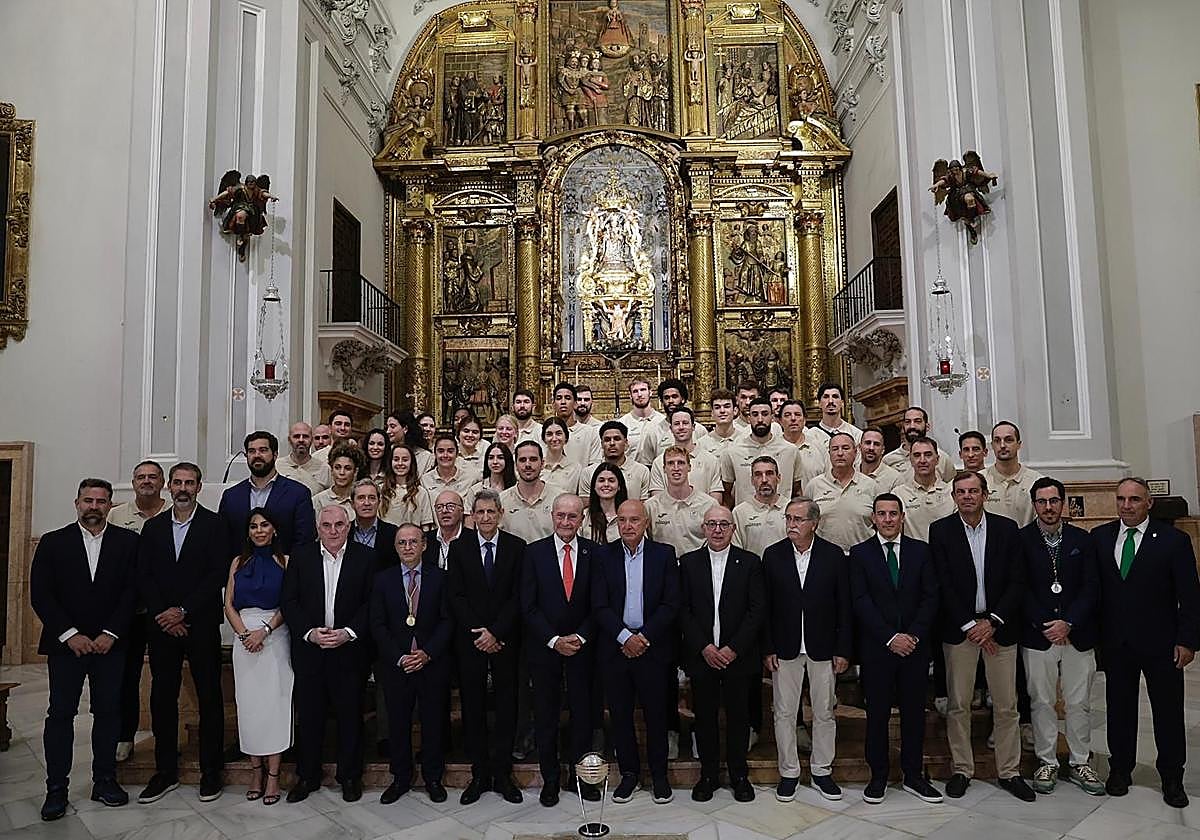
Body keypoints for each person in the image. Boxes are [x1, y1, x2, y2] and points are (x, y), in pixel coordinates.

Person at [31, 478, 138, 822]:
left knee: (108, 712)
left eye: (101, 501)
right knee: (61, 714)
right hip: (67, 647)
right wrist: (70, 634)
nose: (94, 506)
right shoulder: (52, 543)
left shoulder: (127, 542)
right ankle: (56, 789)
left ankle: (105, 780)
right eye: (88, 500)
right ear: (76, 502)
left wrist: (111, 632)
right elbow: (41, 595)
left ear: (110, 506)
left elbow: (133, 592)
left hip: (111, 645)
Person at [1093, 477, 1200, 807]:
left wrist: (1188, 641)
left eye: (1135, 499)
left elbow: (1190, 596)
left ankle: (1171, 777)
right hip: (1116, 644)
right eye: (1122, 499)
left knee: (1167, 712)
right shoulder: (1100, 537)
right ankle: (1120, 770)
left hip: (1161, 643)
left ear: (1148, 503)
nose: (1127, 505)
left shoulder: (1174, 541)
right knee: (1119, 710)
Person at [929, 471, 1033, 801]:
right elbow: (942, 584)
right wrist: (969, 625)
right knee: (959, 704)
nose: (968, 497)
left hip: (999, 628)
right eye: (961, 492)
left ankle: (1009, 771)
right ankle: (962, 769)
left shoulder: (1006, 529)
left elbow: (1018, 580)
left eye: (974, 491)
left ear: (984, 494)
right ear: (954, 497)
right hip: (960, 631)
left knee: (1006, 705)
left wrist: (993, 622)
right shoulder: (941, 531)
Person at [137, 462, 229, 804]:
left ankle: (211, 771)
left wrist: (184, 610)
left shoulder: (215, 525)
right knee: (162, 697)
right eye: (177, 482)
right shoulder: (154, 528)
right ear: (168, 486)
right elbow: (144, 575)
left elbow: (217, 573)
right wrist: (165, 613)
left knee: (209, 697)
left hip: (200, 623)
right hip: (161, 627)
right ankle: (165, 771)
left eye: (189, 482)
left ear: (199, 487)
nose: (183, 488)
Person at [848, 494, 943, 805]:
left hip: (914, 648)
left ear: (903, 516)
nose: (887, 519)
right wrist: (890, 637)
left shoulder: (921, 551)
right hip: (878, 649)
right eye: (881, 514)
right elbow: (860, 601)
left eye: (893, 514)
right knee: (876, 715)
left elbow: (931, 598)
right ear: (873, 518)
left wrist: (912, 635)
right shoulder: (860, 554)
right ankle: (878, 776)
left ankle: (913, 775)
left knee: (914, 714)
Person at [281, 505, 375, 803]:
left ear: (349, 527)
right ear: (317, 528)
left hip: (349, 651)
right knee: (310, 717)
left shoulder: (366, 558)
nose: (333, 531)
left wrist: (347, 633)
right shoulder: (301, 556)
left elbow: (372, 603)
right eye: (326, 525)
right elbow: (289, 600)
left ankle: (349, 777)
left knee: (350, 718)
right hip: (311, 650)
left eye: (338, 525)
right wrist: (310, 632)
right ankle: (307, 777)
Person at [1018, 477, 1103, 796]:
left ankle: (1081, 760)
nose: (1049, 507)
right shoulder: (1022, 540)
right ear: (1034, 504)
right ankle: (1047, 760)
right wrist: (1047, 623)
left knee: (1079, 702)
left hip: (1077, 634)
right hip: (1038, 635)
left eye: (1054, 501)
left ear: (1063, 503)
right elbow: (1019, 588)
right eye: (1042, 501)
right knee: (1040, 700)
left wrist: (1069, 622)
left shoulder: (1084, 539)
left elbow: (1092, 586)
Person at [762, 497, 851, 802]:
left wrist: (843, 649)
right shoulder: (772, 556)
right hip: (784, 647)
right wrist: (768, 647)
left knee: (824, 712)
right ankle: (788, 773)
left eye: (798, 519)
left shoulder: (834, 555)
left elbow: (844, 607)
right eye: (788, 518)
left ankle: (822, 770)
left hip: (823, 647)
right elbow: (766, 608)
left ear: (815, 523)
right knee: (784, 713)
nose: (791, 524)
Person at [592, 499, 680, 805]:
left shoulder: (664, 554)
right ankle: (629, 775)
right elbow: (599, 605)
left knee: (657, 716)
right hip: (615, 650)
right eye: (623, 521)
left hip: (652, 648)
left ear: (646, 523)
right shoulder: (603, 556)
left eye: (634, 520)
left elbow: (671, 604)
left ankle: (659, 776)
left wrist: (642, 637)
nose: (628, 526)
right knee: (620, 716)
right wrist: (624, 637)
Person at [678, 505, 763, 803]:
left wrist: (732, 648)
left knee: (740, 718)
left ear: (732, 529)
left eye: (723, 524)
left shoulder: (750, 563)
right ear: (703, 528)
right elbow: (683, 610)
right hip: (702, 656)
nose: (717, 529)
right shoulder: (688, 563)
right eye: (711, 524)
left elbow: (756, 611)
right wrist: (705, 647)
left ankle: (739, 776)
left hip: (738, 657)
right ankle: (709, 775)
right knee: (705, 718)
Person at [447, 489, 526, 804]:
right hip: (471, 642)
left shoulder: (516, 547)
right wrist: (480, 634)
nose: (485, 518)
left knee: (508, 707)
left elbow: (518, 597)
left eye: (490, 512)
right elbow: (456, 595)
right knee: (473, 707)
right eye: (479, 512)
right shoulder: (459, 547)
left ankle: (503, 773)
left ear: (500, 513)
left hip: (505, 641)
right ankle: (479, 773)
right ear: (472, 515)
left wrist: (496, 632)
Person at [523, 494, 602, 806]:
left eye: (573, 516)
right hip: (546, 650)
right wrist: (554, 640)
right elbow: (527, 606)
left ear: (581, 519)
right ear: (552, 517)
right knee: (546, 717)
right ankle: (551, 780)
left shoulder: (594, 553)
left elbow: (600, 604)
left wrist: (580, 637)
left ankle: (581, 779)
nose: (566, 522)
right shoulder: (533, 554)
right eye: (561, 516)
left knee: (584, 716)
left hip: (584, 650)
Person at [371, 524, 452, 804]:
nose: (408, 547)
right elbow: (377, 624)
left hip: (430, 663)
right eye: (402, 542)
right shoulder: (382, 580)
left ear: (424, 545)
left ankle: (432, 777)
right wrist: (399, 656)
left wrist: (427, 653)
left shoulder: (440, 578)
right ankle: (401, 777)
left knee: (432, 723)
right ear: (395, 547)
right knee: (398, 723)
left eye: (413, 542)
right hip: (397, 665)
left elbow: (447, 620)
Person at [222, 508, 293, 806]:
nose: (259, 531)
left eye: (265, 525)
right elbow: (228, 604)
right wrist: (243, 635)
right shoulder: (238, 562)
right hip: (244, 639)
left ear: (274, 529)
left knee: (275, 705)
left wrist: (263, 632)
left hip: (275, 636)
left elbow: (290, 603)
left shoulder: (285, 561)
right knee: (249, 706)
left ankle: (274, 776)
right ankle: (255, 772)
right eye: (253, 526)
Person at [107, 460, 167, 763]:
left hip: (162, 613)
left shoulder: (174, 514)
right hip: (128, 612)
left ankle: (163, 736)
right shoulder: (116, 516)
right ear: (133, 482)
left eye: (152, 477)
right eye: (141, 477)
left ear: (163, 482)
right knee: (126, 676)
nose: (147, 481)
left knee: (164, 676)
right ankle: (124, 735)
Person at [219, 430, 316, 552]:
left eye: (263, 450)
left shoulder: (298, 493)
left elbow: (304, 541)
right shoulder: (231, 496)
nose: (257, 455)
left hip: (284, 568)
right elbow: (222, 541)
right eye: (251, 451)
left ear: (275, 455)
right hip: (240, 568)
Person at [806, 432, 879, 553]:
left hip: (864, 557)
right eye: (835, 449)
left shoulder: (871, 486)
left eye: (845, 448)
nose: (840, 453)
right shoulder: (814, 486)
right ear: (829, 453)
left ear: (856, 452)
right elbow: (807, 524)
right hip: (825, 557)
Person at [721, 398, 798, 507]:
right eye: (755, 414)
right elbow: (726, 493)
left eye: (765, 414)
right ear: (749, 419)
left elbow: (797, 490)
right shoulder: (732, 452)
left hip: (783, 517)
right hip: (747, 519)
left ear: (772, 417)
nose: (760, 419)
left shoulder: (790, 450)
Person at [645, 447, 711, 555]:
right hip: (663, 568)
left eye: (681, 463)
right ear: (664, 469)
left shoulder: (709, 505)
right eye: (670, 463)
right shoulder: (650, 507)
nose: (676, 468)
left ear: (689, 467)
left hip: (697, 569)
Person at [647, 407, 723, 501]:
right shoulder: (659, 463)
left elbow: (716, 500)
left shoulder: (711, 461)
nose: (681, 427)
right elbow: (657, 502)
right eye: (676, 424)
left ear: (693, 427)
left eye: (685, 423)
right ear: (671, 428)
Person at [893, 437, 954, 542]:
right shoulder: (898, 494)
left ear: (937, 459)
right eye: (917, 455)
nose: (922, 460)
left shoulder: (951, 492)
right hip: (914, 556)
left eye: (928, 455)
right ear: (910, 460)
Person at [982, 421, 1042, 527]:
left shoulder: (1036, 481)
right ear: (992, 445)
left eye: (1008, 440)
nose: (1002, 445)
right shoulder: (980, 480)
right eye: (997, 440)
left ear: (1019, 444)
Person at [635, 378, 707, 465]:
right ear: (661, 401)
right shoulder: (653, 432)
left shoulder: (699, 430)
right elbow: (647, 464)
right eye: (666, 398)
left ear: (683, 399)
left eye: (674, 396)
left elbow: (706, 460)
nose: (671, 401)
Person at [731, 456, 788, 559]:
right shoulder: (740, 512)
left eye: (769, 474)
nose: (764, 480)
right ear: (752, 480)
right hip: (753, 573)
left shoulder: (790, 509)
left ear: (778, 478)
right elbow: (737, 552)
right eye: (758, 475)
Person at [499, 441, 556, 543]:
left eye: (533, 459)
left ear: (542, 463)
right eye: (522, 460)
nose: (528, 464)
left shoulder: (558, 498)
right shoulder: (501, 500)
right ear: (515, 465)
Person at [883, 406, 956, 484]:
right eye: (908, 422)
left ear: (927, 427)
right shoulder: (888, 460)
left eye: (917, 421)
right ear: (903, 427)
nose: (912, 426)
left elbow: (951, 488)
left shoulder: (943, 458)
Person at [585, 420, 650, 500]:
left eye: (617, 439)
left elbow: (643, 505)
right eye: (607, 440)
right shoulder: (588, 473)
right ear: (601, 444)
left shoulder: (641, 471)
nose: (612, 443)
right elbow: (587, 506)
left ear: (626, 443)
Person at [381, 442, 435, 529]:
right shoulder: (380, 490)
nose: (400, 463)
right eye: (396, 459)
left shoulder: (421, 492)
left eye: (405, 460)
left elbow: (426, 526)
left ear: (411, 463)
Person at [349, 478, 400, 571]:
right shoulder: (344, 532)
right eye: (361, 498)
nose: (367, 503)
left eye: (372, 498)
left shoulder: (393, 533)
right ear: (352, 503)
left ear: (379, 502)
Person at [778, 399, 826, 489]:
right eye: (787, 415)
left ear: (804, 420)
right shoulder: (774, 448)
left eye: (797, 414)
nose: (793, 418)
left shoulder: (819, 446)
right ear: (780, 421)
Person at [552, 382, 603, 465]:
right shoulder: (547, 433)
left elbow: (594, 466)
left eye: (568, 398)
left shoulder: (591, 433)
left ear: (575, 403)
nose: (563, 402)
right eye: (559, 398)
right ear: (553, 404)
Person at [276, 421, 331, 493]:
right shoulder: (277, 466)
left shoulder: (324, 469)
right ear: (289, 440)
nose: (301, 440)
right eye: (296, 436)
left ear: (311, 440)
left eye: (305, 436)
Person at [804, 382, 862, 449]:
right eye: (826, 397)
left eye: (835, 396)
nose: (830, 401)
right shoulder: (810, 436)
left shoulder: (856, 434)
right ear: (819, 403)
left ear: (842, 403)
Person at [617, 377, 664, 456]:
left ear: (650, 392)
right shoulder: (622, 424)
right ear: (630, 396)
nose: (639, 394)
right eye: (635, 391)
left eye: (643, 390)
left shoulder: (662, 421)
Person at [425, 490, 471, 570]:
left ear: (462, 510)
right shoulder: (426, 540)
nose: (444, 511)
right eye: (439, 507)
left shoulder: (473, 540)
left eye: (450, 506)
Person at [312, 443, 362, 516]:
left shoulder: (362, 500)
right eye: (337, 467)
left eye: (347, 468)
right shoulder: (318, 501)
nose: (342, 472)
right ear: (331, 470)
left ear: (355, 472)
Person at [422, 434, 475, 501]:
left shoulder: (469, 480)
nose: (445, 455)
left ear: (457, 454)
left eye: (450, 451)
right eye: (441, 451)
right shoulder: (424, 480)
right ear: (435, 454)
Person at [585, 462, 628, 543]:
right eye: (601, 480)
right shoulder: (584, 516)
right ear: (594, 486)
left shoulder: (629, 515)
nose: (606, 484)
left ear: (619, 486)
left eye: (611, 481)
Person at [696, 388, 742, 463]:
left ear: (735, 411)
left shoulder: (744, 440)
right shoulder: (702, 444)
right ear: (712, 413)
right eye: (717, 407)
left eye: (727, 406)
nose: (722, 411)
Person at [466, 441, 517, 510]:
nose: (495, 462)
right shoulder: (475, 490)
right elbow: (468, 517)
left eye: (500, 457)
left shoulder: (517, 488)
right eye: (491, 458)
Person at [541, 417, 584, 496]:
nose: (554, 438)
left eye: (558, 433)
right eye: (549, 434)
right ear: (544, 439)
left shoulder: (576, 468)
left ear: (566, 437)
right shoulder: (537, 466)